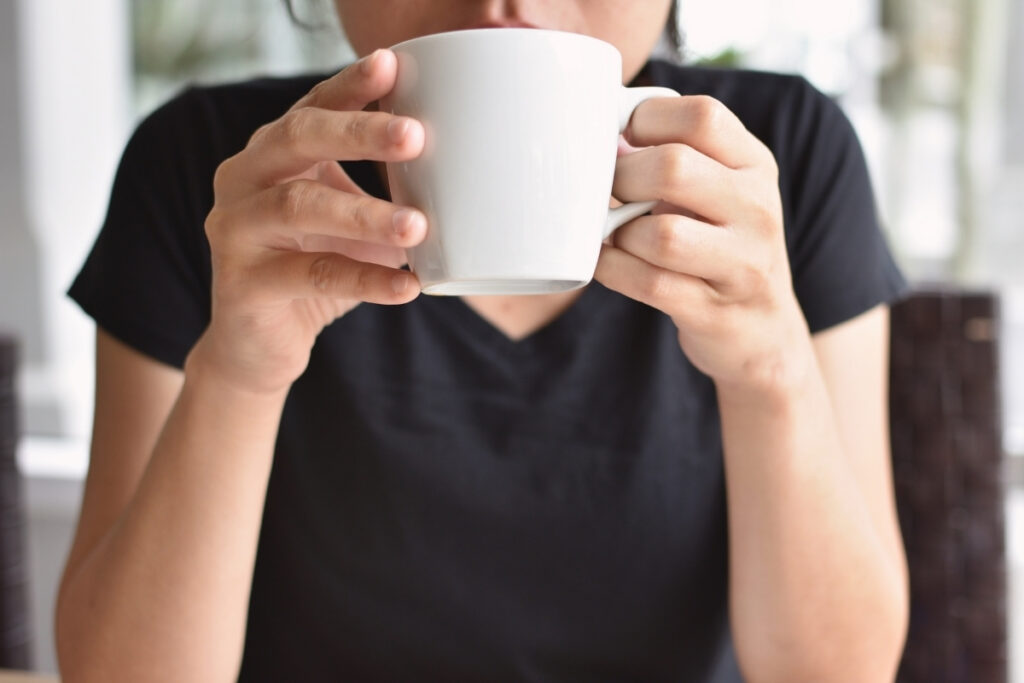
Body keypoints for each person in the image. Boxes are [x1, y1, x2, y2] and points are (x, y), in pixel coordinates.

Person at [55, 1, 910, 681]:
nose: (509, 5)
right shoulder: (214, 174)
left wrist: (773, 371)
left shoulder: (778, 160)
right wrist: (237, 373)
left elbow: (835, 670)